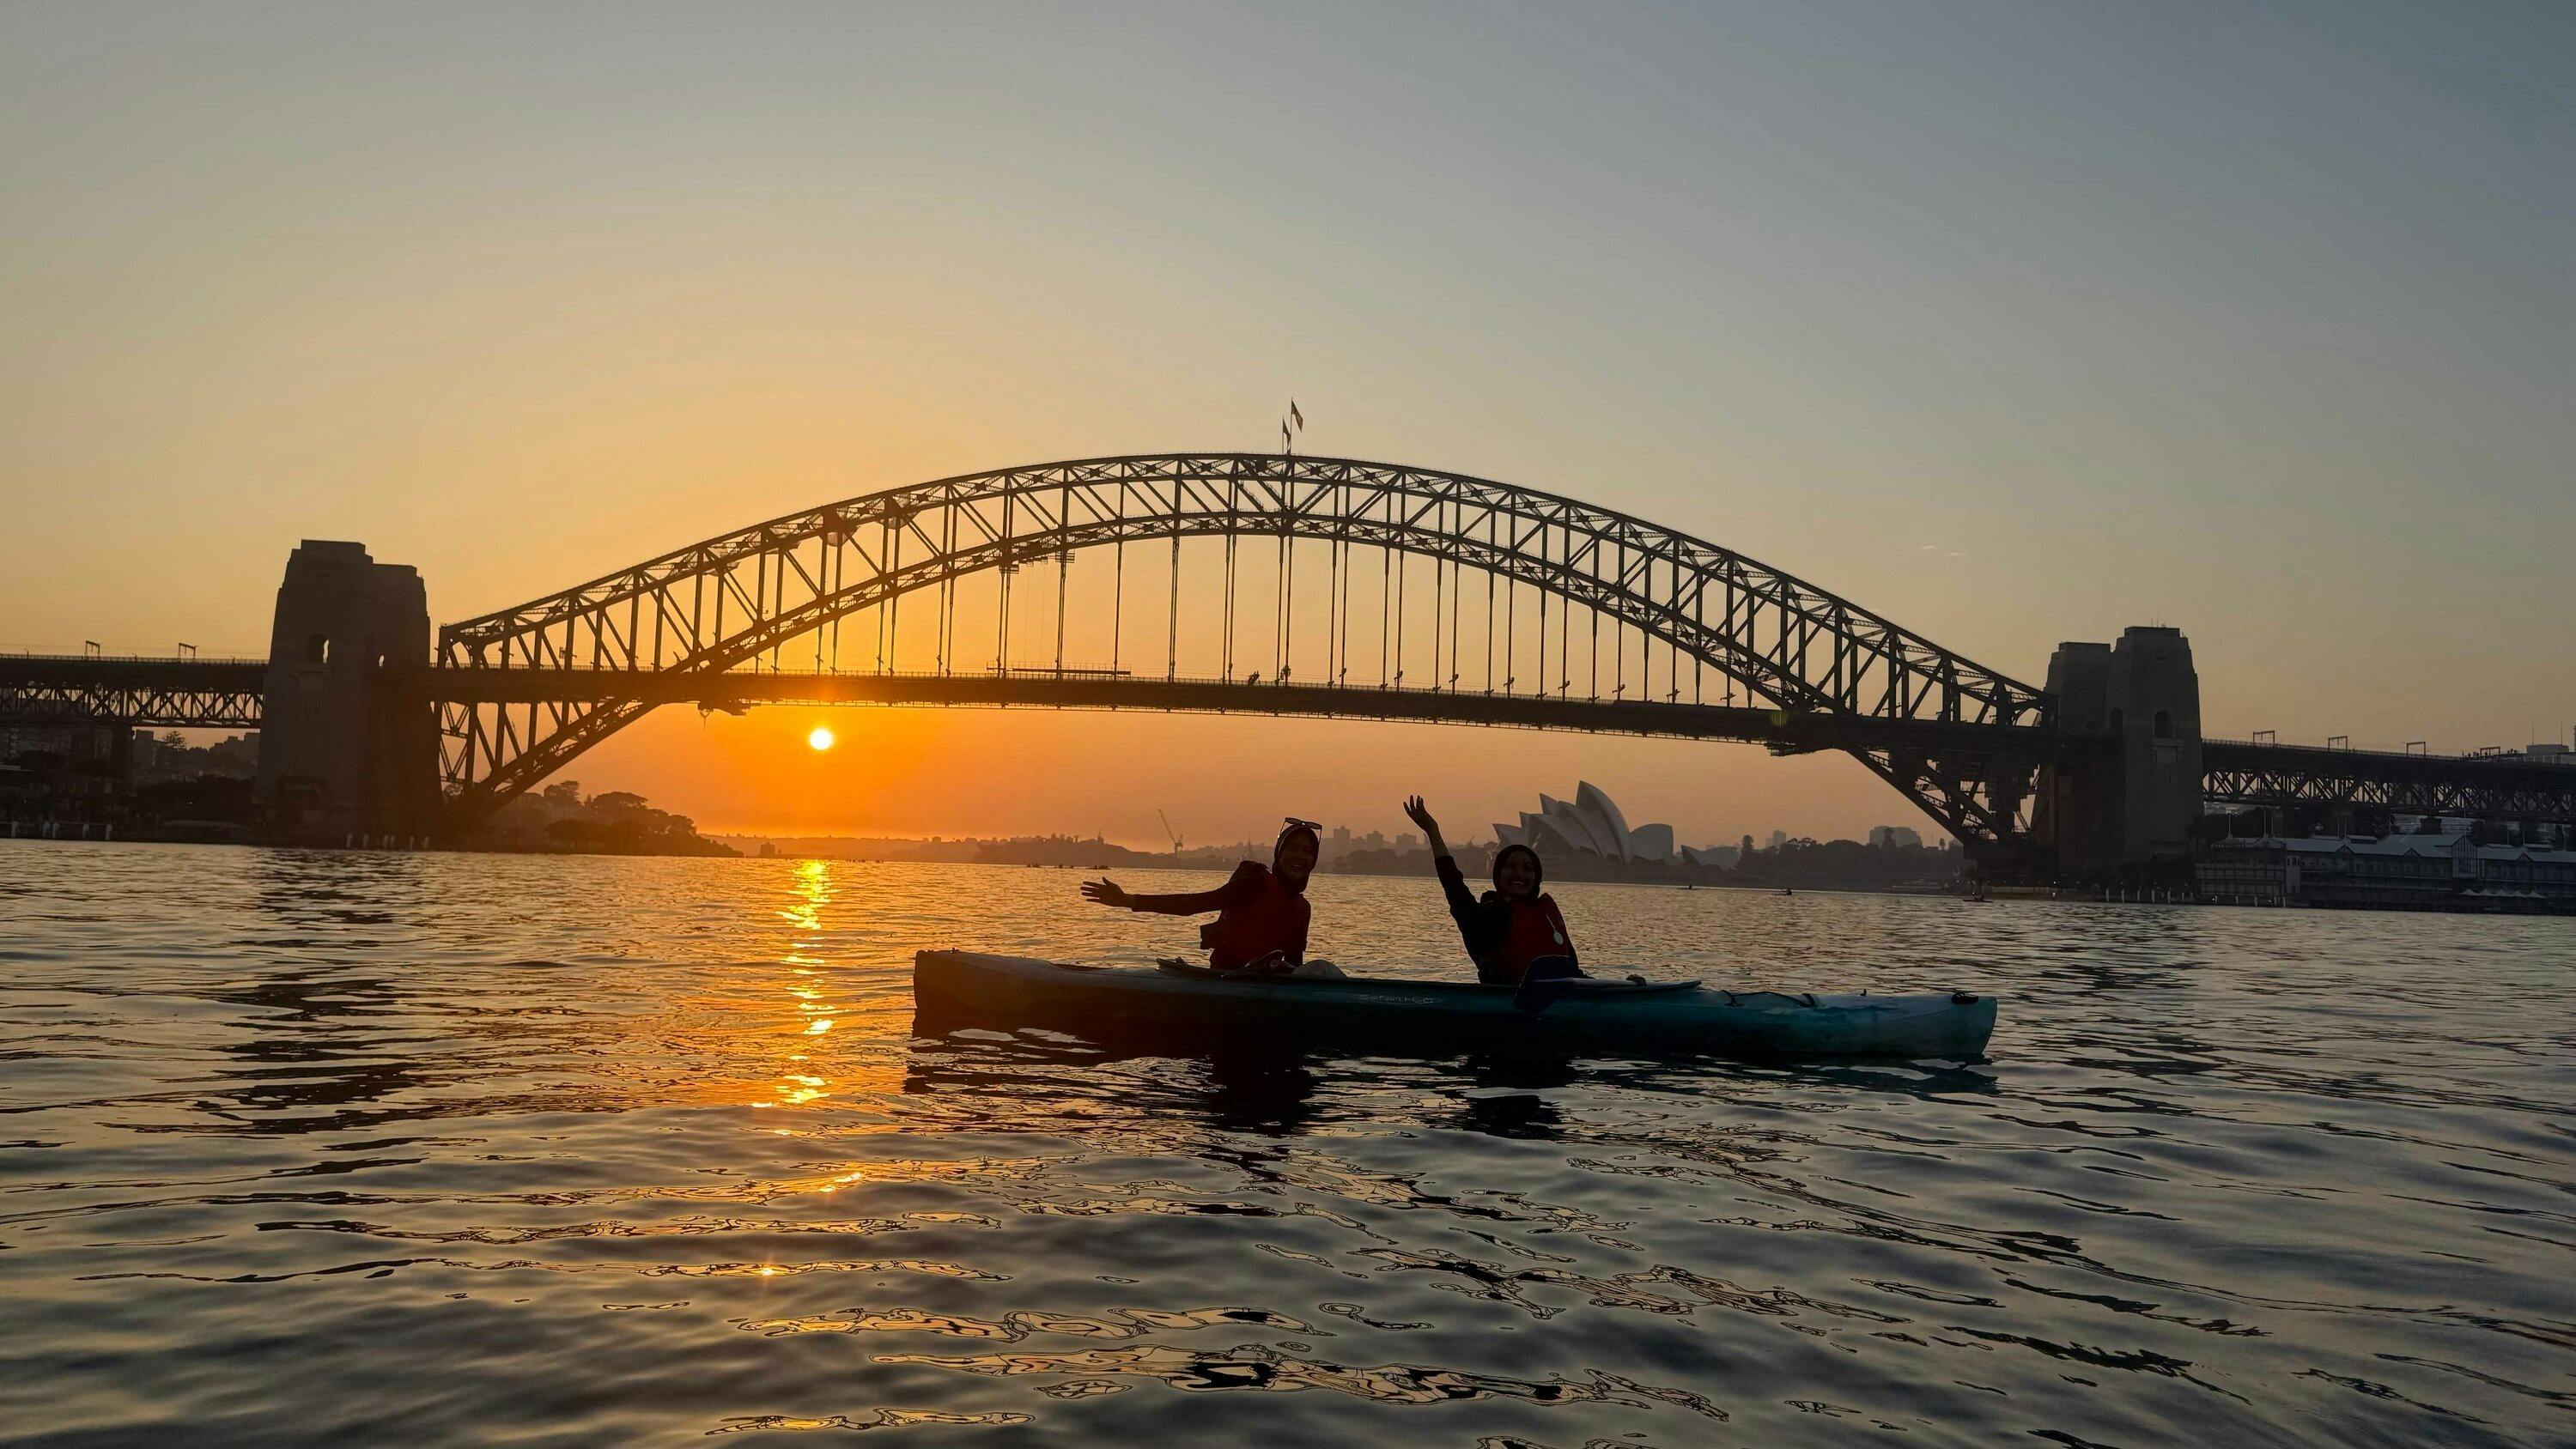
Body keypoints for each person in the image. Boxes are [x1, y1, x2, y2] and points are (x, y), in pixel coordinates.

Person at [1081, 818, 1341, 977]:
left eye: (1308, 851)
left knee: (1323, 969)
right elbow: (1194, 904)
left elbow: (1296, 966)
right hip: (1227, 981)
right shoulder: (1253, 883)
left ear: (1314, 860)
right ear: (1279, 854)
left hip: (1267, 988)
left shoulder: (1302, 908)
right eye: (1293, 849)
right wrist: (1129, 900)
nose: (1300, 856)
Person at [1402, 796, 1583, 985]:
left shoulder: (1547, 914)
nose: (1519, 874)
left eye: (1528, 869)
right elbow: (1454, 887)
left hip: (1563, 999)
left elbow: (1573, 969)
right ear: (1497, 873)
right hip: (1506, 999)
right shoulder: (1485, 918)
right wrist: (1433, 832)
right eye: (1510, 866)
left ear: (1537, 878)